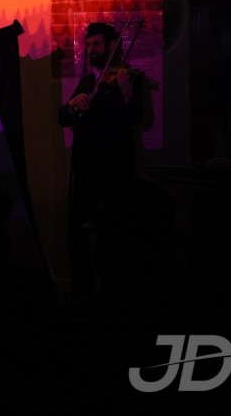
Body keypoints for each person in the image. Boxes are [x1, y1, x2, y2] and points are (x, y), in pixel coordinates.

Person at [58, 21, 144, 298]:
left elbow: (137, 118)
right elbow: (63, 118)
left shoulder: (128, 79)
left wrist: (126, 91)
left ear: (110, 46)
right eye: (88, 44)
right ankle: (82, 293)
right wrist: (70, 105)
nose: (91, 49)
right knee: (78, 236)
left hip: (114, 174)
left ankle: (113, 297)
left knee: (113, 239)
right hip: (85, 172)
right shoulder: (87, 81)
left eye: (97, 44)